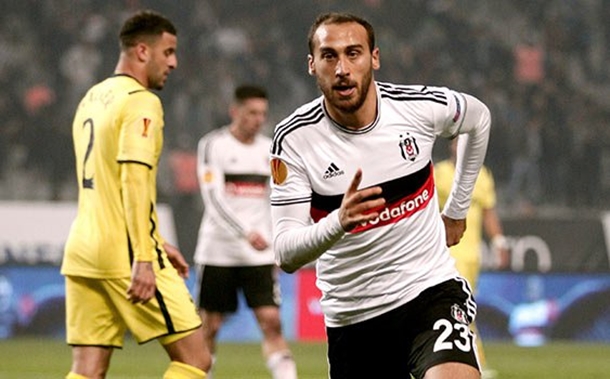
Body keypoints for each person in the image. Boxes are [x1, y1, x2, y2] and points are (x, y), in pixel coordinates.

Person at [270, 12, 491, 379]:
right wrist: (337, 222)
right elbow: (285, 253)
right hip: (354, 317)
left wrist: (457, 208)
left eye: (353, 53)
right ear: (312, 65)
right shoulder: (293, 140)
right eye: (329, 56)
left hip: (428, 291)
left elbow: (478, 118)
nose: (342, 68)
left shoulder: (416, 109)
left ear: (374, 58)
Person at [61, 10, 211, 379]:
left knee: (87, 370)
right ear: (143, 51)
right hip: (125, 253)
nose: (174, 62)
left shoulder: (92, 99)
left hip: (83, 249)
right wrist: (145, 255)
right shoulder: (141, 101)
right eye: (168, 52)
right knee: (196, 359)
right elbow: (132, 179)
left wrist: (157, 237)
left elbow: (108, 186)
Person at [193, 85, 298, 379]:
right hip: (218, 250)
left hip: (259, 254)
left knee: (271, 321)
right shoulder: (213, 145)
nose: (258, 119)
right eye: (252, 112)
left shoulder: (270, 150)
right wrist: (245, 232)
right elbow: (213, 198)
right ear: (235, 111)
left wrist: (278, 239)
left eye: (262, 113)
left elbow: (278, 199)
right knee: (209, 326)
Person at [435, 138, 510, 378]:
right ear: (451, 146)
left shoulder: (482, 175)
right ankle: (474, 359)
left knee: (460, 306)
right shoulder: (441, 173)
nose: (461, 147)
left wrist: (499, 241)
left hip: (472, 255)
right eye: (457, 142)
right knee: (457, 306)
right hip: (446, 251)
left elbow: (489, 211)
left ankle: (460, 360)